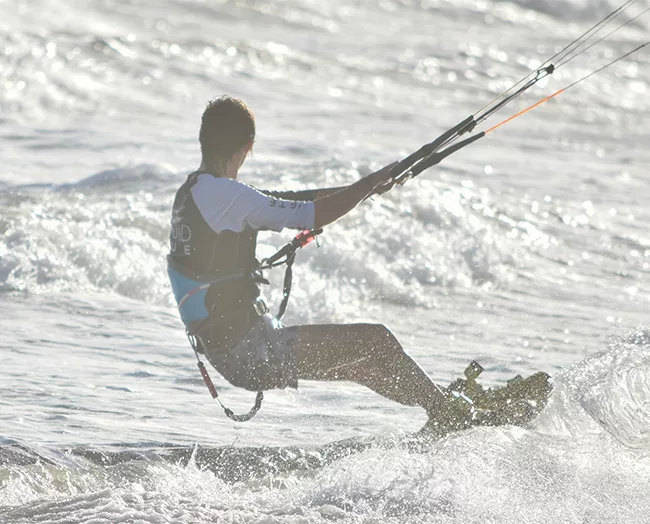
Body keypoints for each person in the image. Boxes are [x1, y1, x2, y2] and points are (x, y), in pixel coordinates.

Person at [167, 95, 473, 432]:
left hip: (234, 352)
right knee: (376, 342)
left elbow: (288, 200)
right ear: (248, 146)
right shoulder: (226, 195)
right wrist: (370, 182)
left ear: (203, 140)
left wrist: (365, 190)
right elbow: (309, 214)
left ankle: (441, 406)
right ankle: (447, 413)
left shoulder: (195, 192)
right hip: (251, 351)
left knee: (365, 366)